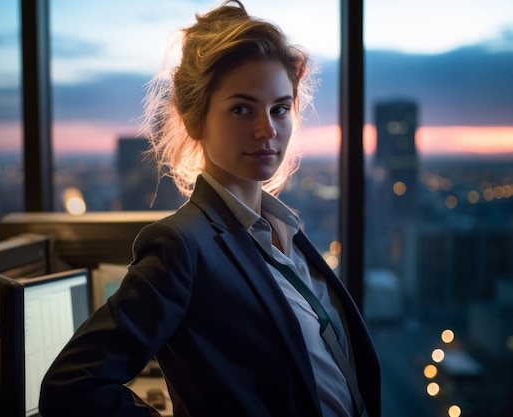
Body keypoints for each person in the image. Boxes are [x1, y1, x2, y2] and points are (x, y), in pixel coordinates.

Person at [39, 1, 380, 416]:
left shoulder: (286, 231)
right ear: (195, 119)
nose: (266, 130)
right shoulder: (182, 246)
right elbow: (73, 384)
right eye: (242, 109)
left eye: (280, 109)